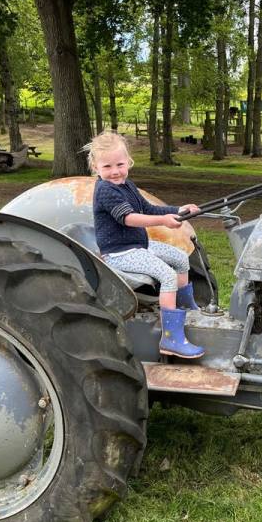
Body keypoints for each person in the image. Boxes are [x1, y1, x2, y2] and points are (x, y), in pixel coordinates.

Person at [88, 131, 205, 359]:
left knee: (181, 258)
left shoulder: (127, 185)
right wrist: (163, 221)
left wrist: (179, 210)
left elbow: (148, 208)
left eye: (120, 164)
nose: (115, 171)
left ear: (128, 161)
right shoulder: (105, 190)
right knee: (168, 275)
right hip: (119, 252)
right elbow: (129, 218)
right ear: (96, 166)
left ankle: (185, 309)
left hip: (138, 246)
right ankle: (171, 337)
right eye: (108, 166)